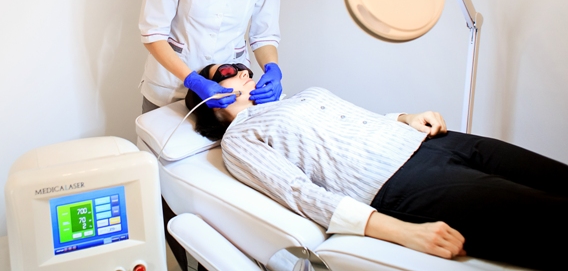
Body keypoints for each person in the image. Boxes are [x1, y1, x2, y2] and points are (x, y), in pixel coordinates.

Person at [185, 63, 568, 271]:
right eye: (227, 72)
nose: (244, 71)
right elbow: (301, 194)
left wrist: (406, 117)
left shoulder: (296, 97)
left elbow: (361, 120)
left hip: (433, 141)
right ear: (210, 99)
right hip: (402, 183)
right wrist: (405, 232)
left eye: (242, 66)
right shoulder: (239, 138)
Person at [138, 0, 305, 271]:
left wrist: (272, 69)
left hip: (226, 98)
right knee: (168, 201)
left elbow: (264, 35)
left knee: (216, 200)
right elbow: (152, 31)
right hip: (169, 91)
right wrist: (191, 79)